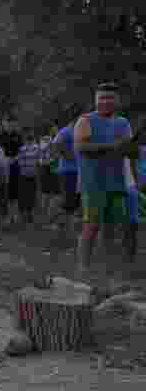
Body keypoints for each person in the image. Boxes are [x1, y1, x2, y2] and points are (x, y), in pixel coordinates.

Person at [73, 82, 142, 280]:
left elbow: (132, 153)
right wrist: (114, 146)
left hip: (117, 182)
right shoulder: (85, 120)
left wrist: (130, 147)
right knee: (91, 225)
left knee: (111, 226)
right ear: (95, 100)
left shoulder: (123, 123)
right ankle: (83, 268)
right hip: (93, 183)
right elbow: (81, 147)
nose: (105, 101)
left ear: (117, 101)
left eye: (110, 98)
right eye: (102, 97)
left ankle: (108, 268)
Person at [50, 120, 81, 246]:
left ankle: (69, 234)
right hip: (68, 172)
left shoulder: (79, 130)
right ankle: (57, 227)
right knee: (68, 203)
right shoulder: (66, 131)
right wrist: (67, 155)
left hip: (78, 171)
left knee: (75, 204)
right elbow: (55, 145)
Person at [13, 132, 41, 227]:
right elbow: (39, 161)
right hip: (33, 175)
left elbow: (19, 162)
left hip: (24, 175)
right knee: (31, 194)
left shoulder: (22, 149)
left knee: (24, 195)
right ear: (33, 139)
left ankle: (24, 215)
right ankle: (29, 214)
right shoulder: (37, 148)